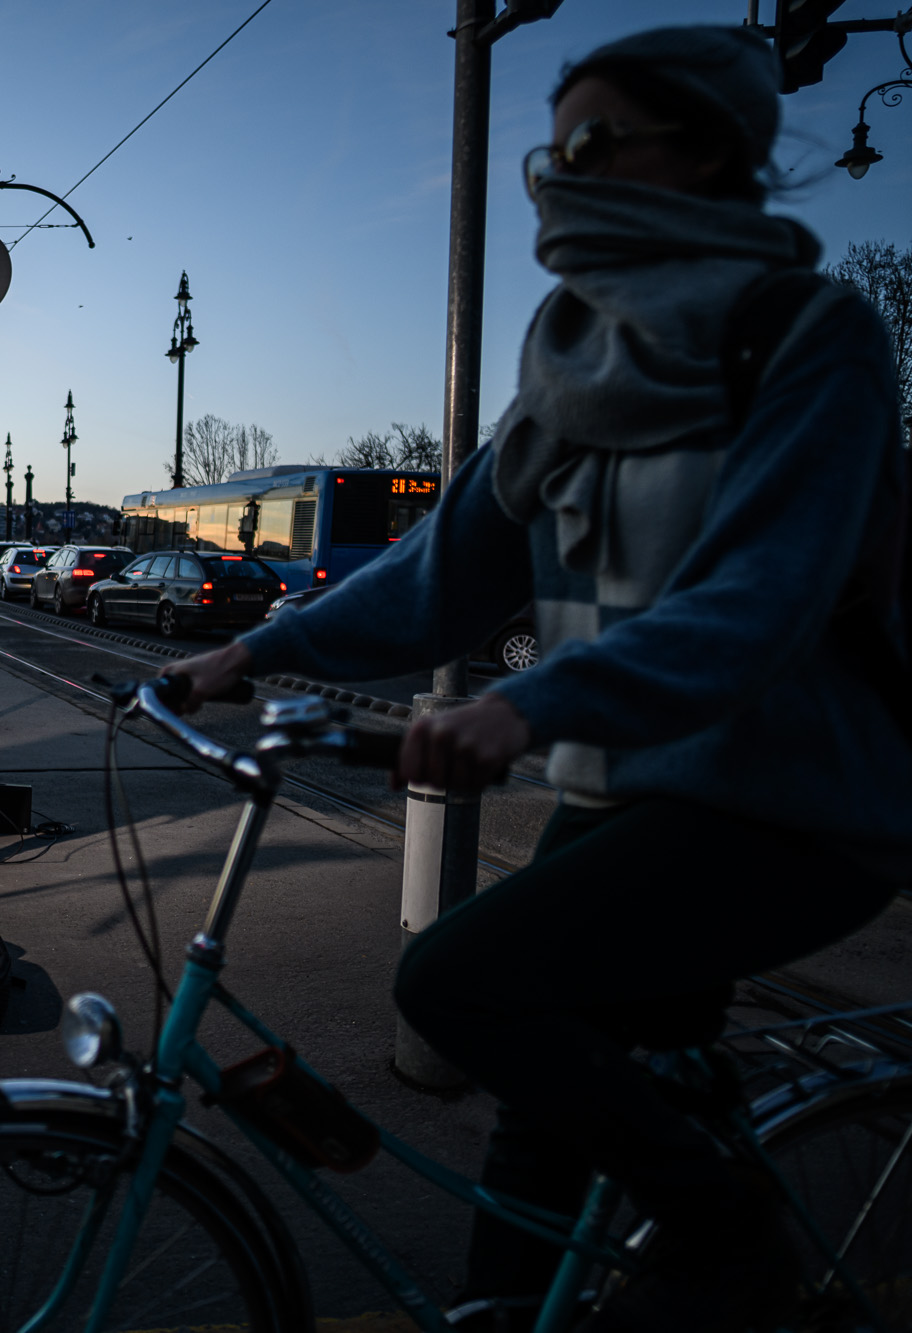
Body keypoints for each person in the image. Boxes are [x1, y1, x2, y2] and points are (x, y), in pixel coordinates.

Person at [167, 27, 908, 1333]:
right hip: (626, 788)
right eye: (547, 153)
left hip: (789, 797)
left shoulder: (811, 339)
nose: (556, 180)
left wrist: (526, 705)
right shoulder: (572, 362)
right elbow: (443, 574)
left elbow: (757, 602)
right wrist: (256, 647)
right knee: (542, 1128)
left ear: (708, 149)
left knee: (454, 981)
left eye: (590, 143)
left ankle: (734, 1234)